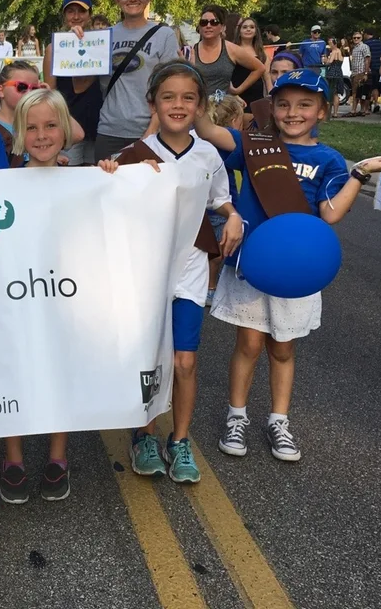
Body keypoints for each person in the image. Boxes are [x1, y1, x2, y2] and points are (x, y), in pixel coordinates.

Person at [195, 70, 381, 461]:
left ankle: (278, 420)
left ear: (322, 111)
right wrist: (197, 84)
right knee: (248, 344)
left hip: (296, 271)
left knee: (283, 348)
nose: (292, 113)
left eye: (305, 105)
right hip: (253, 264)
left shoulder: (328, 159)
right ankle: (236, 416)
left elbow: (331, 213)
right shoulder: (255, 144)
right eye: (284, 104)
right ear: (272, 108)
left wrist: (359, 173)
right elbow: (206, 130)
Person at [0, 87, 120, 503]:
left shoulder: (84, 181)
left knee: (60, 372)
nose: (42, 135)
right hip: (17, 298)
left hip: (65, 299)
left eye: (51, 126)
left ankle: (57, 456)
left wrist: (113, 177)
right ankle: (13, 459)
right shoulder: (3, 183)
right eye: (31, 128)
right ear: (19, 133)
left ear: (65, 130)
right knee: (14, 372)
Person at [123, 62, 243, 484]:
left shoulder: (207, 154)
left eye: (188, 98)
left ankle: (180, 439)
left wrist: (232, 216)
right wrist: (108, 174)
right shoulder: (132, 156)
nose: (178, 105)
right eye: (168, 97)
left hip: (190, 269)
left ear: (199, 105)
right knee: (148, 359)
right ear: (152, 103)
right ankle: (144, 436)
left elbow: (220, 199)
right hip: (147, 273)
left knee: (185, 360)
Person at [94, 0, 181, 162]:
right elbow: (83, 79)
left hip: (150, 131)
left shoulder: (163, 35)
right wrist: (75, 38)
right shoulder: (102, 37)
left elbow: (169, 88)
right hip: (110, 130)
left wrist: (151, 130)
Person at [43, 0, 103, 166]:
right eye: (70, 11)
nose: (76, 16)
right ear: (64, 15)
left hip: (99, 124)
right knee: (70, 174)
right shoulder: (54, 48)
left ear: (90, 14)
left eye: (81, 11)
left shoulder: (101, 44)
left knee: (96, 175)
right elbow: (49, 93)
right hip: (69, 126)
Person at [205, 92, 246, 303]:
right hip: (222, 204)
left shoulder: (200, 139)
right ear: (233, 121)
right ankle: (211, 287)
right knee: (219, 250)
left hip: (203, 203)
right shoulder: (228, 141)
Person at [190, 4, 265, 101]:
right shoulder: (190, 51)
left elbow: (260, 68)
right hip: (198, 106)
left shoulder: (231, 49)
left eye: (214, 22)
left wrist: (237, 90)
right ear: (199, 27)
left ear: (222, 27)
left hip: (223, 107)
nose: (208, 26)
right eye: (203, 22)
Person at [231, 17, 267, 109]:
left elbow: (267, 76)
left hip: (256, 95)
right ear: (239, 31)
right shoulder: (232, 49)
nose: (248, 29)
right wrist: (233, 93)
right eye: (245, 27)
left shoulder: (261, 52)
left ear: (256, 31)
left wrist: (271, 96)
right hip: (236, 94)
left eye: (251, 27)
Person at [363, 28, 381, 114]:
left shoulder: (366, 44)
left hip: (372, 67)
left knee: (374, 86)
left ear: (366, 34)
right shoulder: (380, 43)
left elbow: (367, 57)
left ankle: (375, 103)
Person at [349, 31, 371, 116]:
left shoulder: (364, 46)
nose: (356, 39)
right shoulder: (354, 48)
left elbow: (367, 59)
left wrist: (365, 73)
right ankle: (361, 110)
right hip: (355, 73)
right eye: (354, 38)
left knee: (358, 92)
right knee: (358, 92)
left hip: (361, 72)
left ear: (361, 38)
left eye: (358, 37)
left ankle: (354, 110)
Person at [324, 38, 345, 118]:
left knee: (330, 93)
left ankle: (328, 113)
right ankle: (335, 113)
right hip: (339, 72)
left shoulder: (334, 51)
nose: (329, 45)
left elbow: (329, 62)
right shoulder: (340, 51)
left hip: (333, 73)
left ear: (334, 44)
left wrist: (326, 60)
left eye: (330, 43)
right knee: (336, 94)